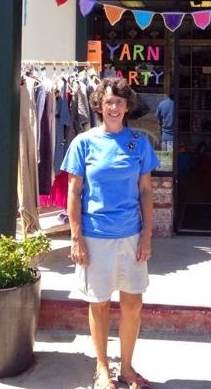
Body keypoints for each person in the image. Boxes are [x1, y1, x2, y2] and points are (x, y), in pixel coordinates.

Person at [61, 77, 159, 389]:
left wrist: (147, 235)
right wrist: (76, 237)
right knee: (99, 303)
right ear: (99, 106)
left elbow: (146, 191)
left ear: (127, 107)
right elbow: (74, 193)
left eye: (119, 102)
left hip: (131, 236)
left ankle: (127, 368)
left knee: (132, 304)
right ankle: (102, 369)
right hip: (95, 236)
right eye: (108, 102)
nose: (114, 107)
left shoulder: (139, 142)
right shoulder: (83, 143)